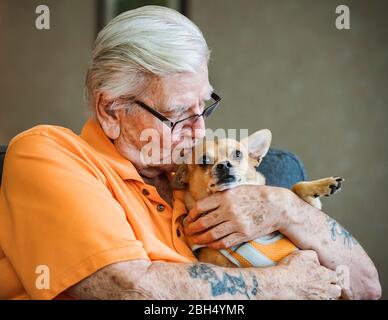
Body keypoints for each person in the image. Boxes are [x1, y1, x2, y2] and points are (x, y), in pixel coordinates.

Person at [0, 6, 381, 300]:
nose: (199, 130)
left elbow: (366, 286)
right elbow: (129, 288)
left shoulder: (201, 177)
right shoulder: (49, 154)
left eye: (205, 106)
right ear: (111, 111)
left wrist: (287, 207)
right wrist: (282, 286)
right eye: (178, 113)